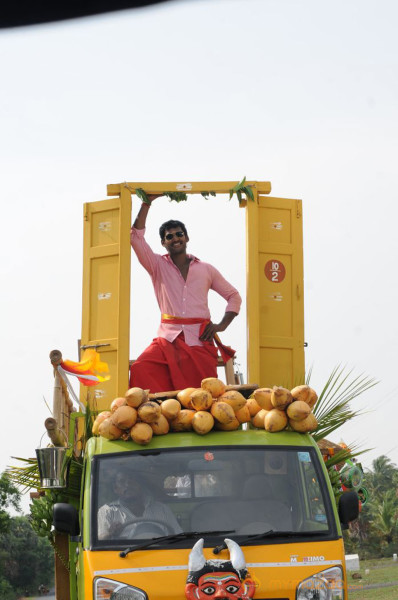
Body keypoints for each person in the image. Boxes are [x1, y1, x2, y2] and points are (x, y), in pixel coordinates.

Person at [130, 195, 242, 392]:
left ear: (187, 237)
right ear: (163, 243)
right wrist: (146, 203)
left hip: (200, 339)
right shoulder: (156, 265)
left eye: (179, 234)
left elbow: (234, 296)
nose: (175, 239)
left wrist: (221, 325)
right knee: (141, 368)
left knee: (203, 393)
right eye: (169, 236)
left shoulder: (206, 269)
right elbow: (135, 237)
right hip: (167, 338)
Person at [97, 469, 182, 540]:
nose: (127, 485)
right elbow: (99, 543)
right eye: (122, 481)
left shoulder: (162, 509)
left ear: (140, 485)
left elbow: (178, 536)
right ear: (115, 488)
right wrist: (110, 533)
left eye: (132, 480)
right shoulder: (107, 511)